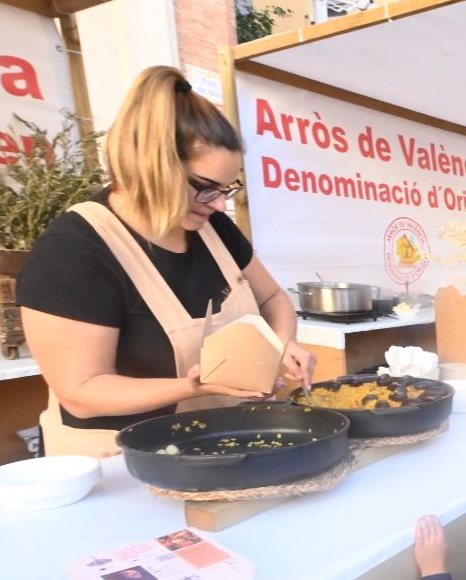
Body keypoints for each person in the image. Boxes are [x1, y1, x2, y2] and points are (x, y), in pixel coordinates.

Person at [19, 66, 314, 458]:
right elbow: (82, 392)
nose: (221, 204)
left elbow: (273, 297)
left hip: (216, 445)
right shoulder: (75, 251)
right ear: (151, 166)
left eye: (228, 189)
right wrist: (195, 387)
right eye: (207, 189)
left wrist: (282, 342)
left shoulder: (214, 228)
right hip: (117, 466)